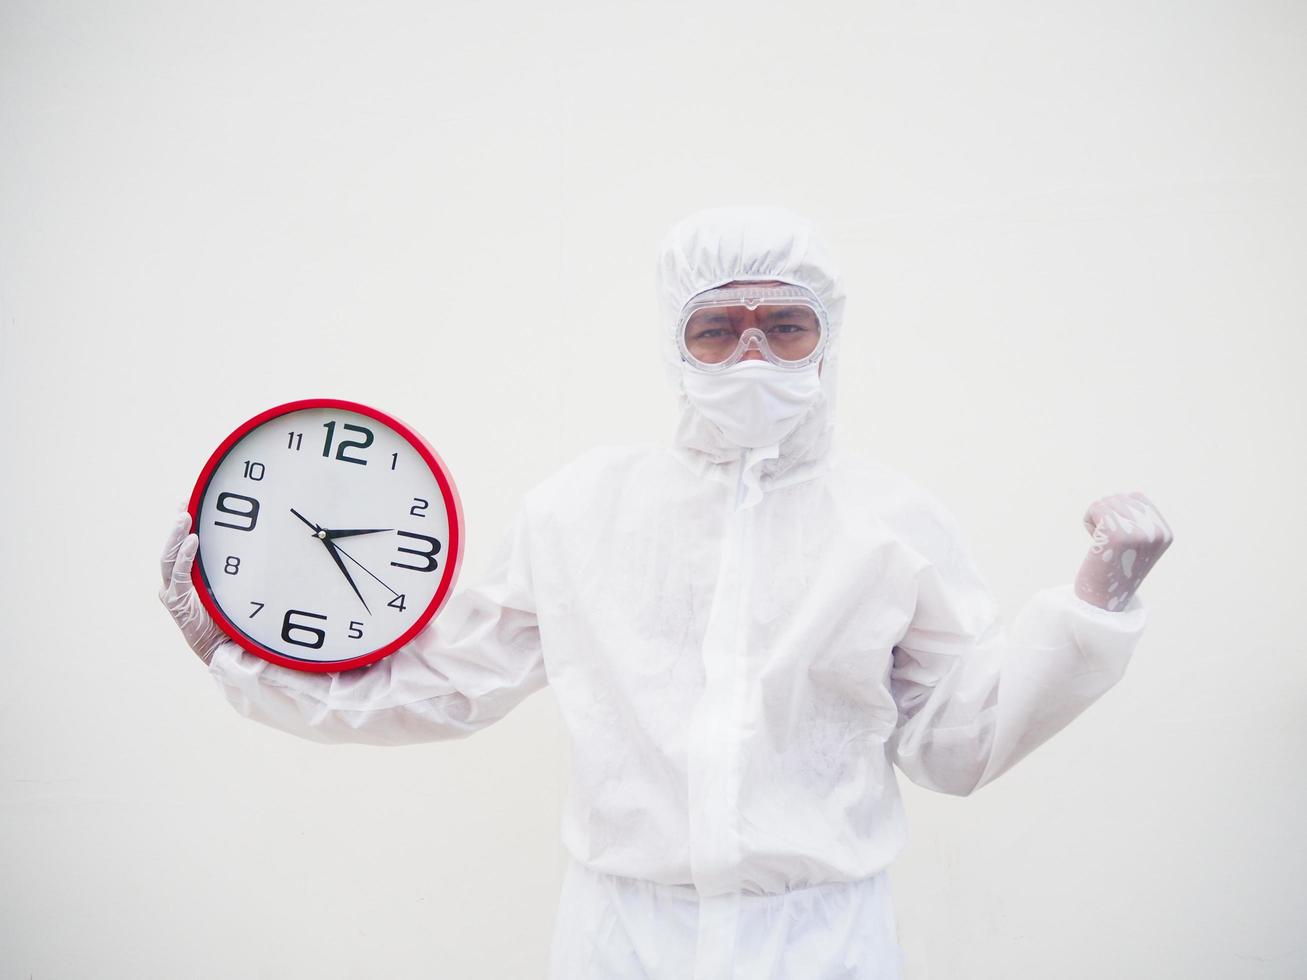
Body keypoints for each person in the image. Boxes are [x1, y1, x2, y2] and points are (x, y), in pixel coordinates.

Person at [158, 205, 1174, 979]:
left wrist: (1091, 608)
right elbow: (445, 681)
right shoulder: (581, 511)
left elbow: (955, 742)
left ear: (828, 339)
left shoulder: (888, 522)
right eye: (714, 328)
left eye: (784, 326)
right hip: (619, 933)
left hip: (821, 935)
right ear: (670, 341)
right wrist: (233, 653)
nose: (750, 354)